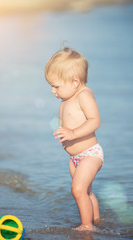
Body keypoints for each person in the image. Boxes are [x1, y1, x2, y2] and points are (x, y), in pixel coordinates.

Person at [45, 47, 104, 231]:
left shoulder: (84, 95)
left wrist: (73, 134)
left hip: (90, 154)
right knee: (86, 192)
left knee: (77, 189)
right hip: (75, 158)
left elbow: (95, 121)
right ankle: (96, 221)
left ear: (75, 81)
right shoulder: (66, 99)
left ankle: (87, 226)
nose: (52, 90)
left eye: (56, 86)